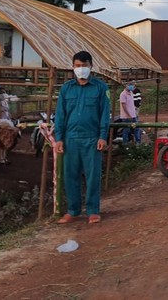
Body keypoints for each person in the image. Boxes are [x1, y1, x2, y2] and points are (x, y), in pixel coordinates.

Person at [55, 51, 110, 225]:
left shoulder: (101, 88)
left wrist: (102, 136)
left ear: (91, 67)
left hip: (92, 138)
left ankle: (93, 211)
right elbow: (60, 115)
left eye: (84, 66)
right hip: (70, 138)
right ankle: (73, 210)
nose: (81, 69)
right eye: (78, 66)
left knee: (93, 175)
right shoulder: (66, 88)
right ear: (73, 67)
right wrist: (59, 138)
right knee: (70, 175)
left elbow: (104, 114)